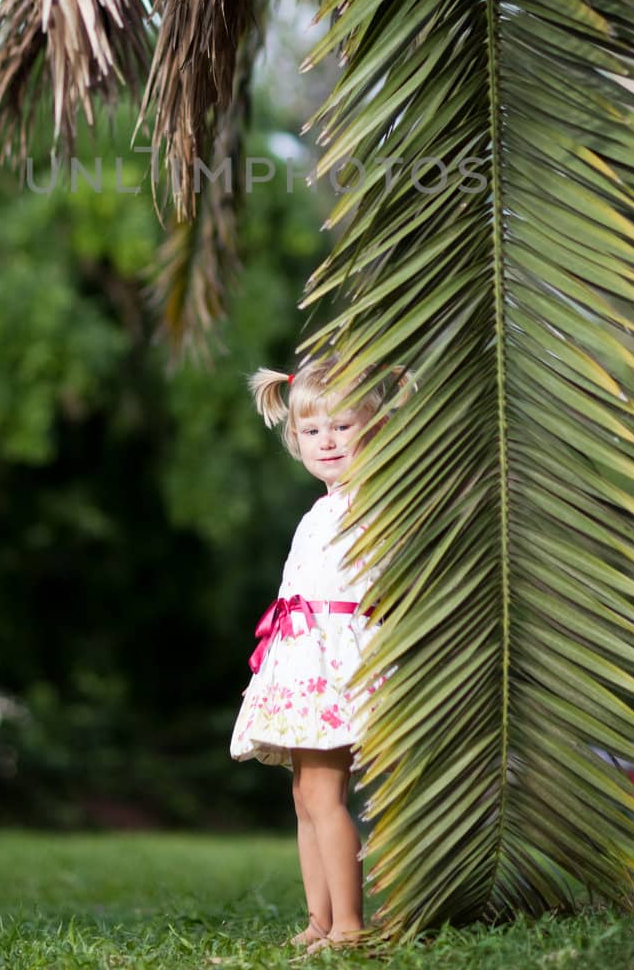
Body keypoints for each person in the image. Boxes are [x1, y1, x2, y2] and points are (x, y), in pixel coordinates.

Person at [230, 357, 413, 952]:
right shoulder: (321, 509)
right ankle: (319, 919)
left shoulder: (371, 503)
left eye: (343, 425)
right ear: (294, 439)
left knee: (326, 796)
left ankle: (349, 927)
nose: (327, 441)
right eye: (312, 431)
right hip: (304, 662)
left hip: (339, 667)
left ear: (374, 429)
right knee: (305, 794)